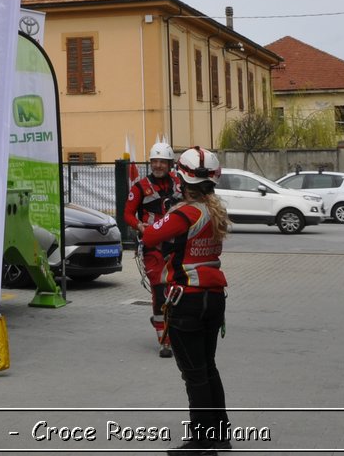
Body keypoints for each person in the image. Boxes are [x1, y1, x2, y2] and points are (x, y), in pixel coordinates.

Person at [141, 147, 232, 456]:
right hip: (214, 298)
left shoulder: (185, 212)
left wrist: (164, 213)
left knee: (193, 374)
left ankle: (202, 441)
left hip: (187, 300)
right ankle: (220, 434)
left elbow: (150, 237)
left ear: (181, 178)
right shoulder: (214, 210)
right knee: (208, 367)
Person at [123, 141, 180, 356]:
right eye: (154, 161)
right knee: (159, 289)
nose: (158, 165)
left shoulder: (179, 184)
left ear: (169, 163)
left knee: (177, 288)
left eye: (162, 162)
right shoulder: (139, 187)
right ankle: (164, 339)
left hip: (176, 244)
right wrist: (139, 225)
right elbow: (127, 214)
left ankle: (174, 326)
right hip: (153, 246)